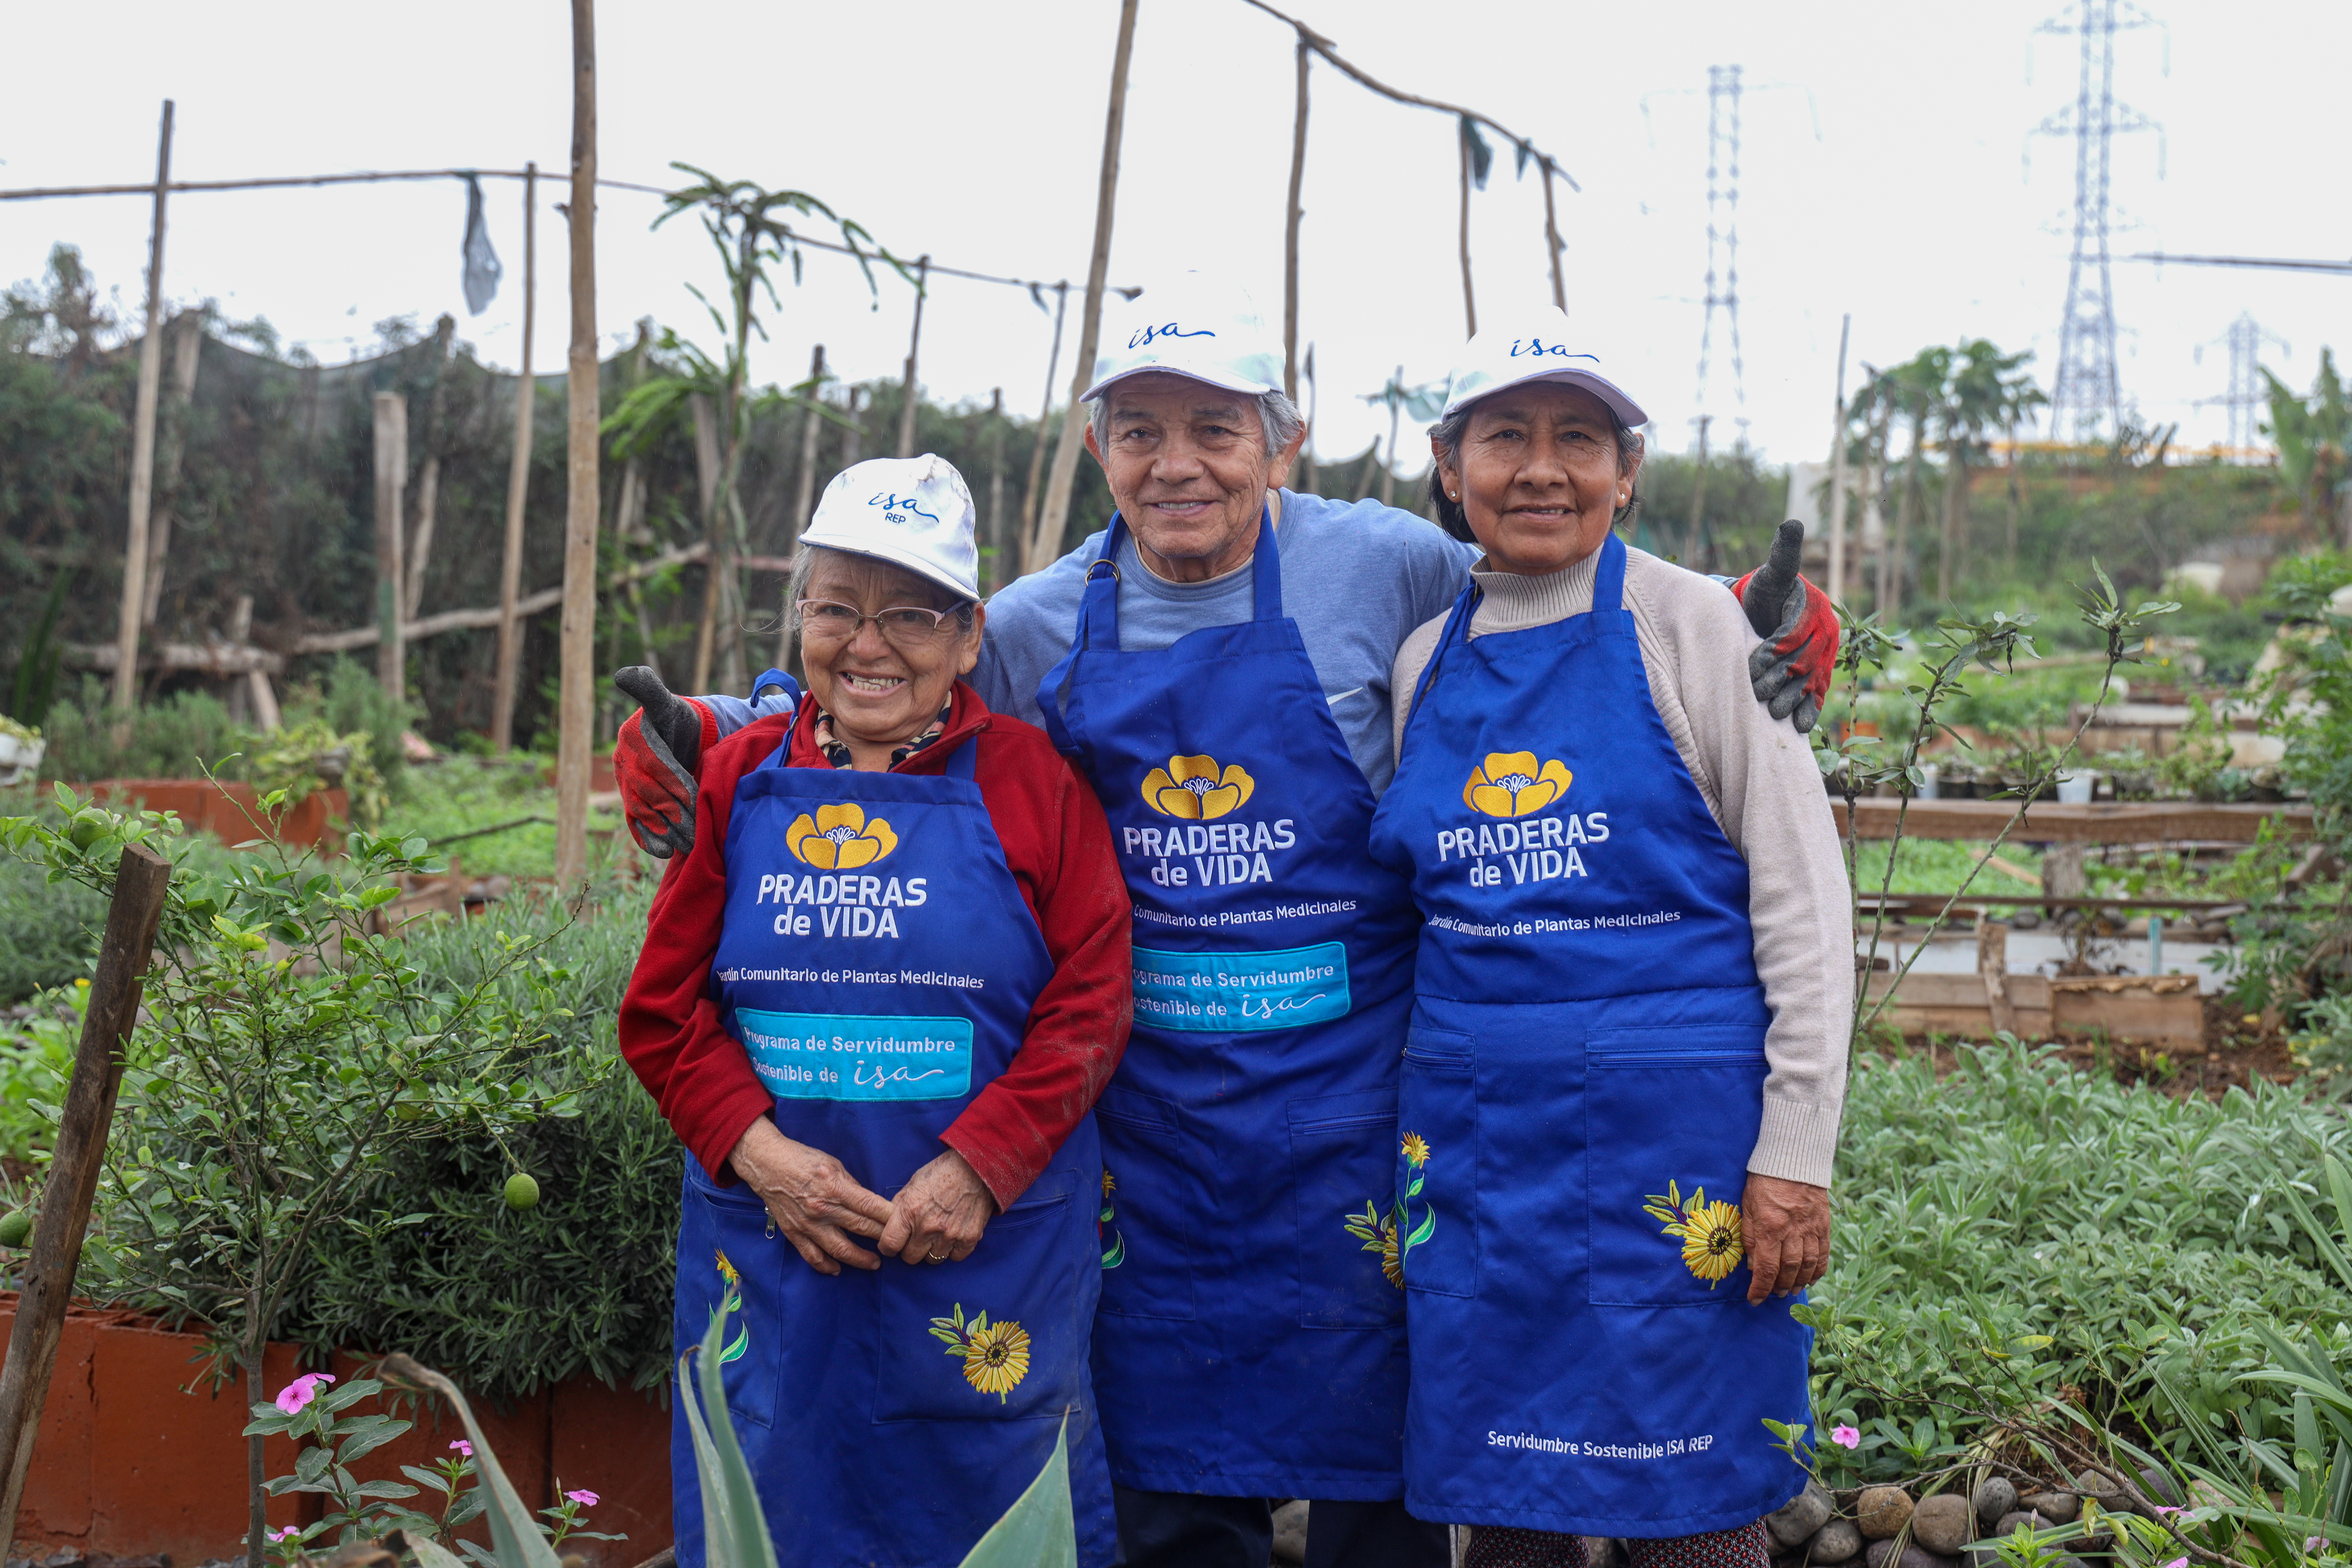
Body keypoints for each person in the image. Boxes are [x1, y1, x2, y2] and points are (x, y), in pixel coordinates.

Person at [611, 275, 1842, 1568]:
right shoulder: (1033, 624)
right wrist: (726, 729)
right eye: (1141, 430)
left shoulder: (1385, 567)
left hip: (1354, 1117)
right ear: (1099, 449)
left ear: (1282, 440)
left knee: (1391, 1480)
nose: (1179, 465)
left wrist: (1759, 616)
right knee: (1171, 1482)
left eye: (1217, 428)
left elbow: (1552, 581)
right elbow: (885, 673)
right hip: (1149, 1129)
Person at [1365, 311, 1851, 1568]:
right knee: (1507, 1505)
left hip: (1675, 1152)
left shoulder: (1697, 629)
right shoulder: (1427, 662)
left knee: (1694, 1506)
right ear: (1448, 465)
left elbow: (1805, 906)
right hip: (1479, 1156)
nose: (1542, 469)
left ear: (1626, 472)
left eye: (1578, 439)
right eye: (1504, 438)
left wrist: (1796, 1152)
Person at [616, 455, 1133, 1568]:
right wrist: (765, 1162)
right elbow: (663, 1014)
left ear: (968, 635)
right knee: (774, 1502)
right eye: (837, 608)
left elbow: (1091, 1003)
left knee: (994, 1505)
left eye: (908, 614)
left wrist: (982, 1164)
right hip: (777, 1242)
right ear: (799, 618)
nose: (868, 645)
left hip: (984, 1247)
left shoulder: (1032, 782)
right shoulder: (740, 776)